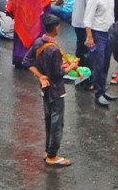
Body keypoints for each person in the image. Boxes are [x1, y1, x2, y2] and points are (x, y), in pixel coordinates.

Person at [23, 15, 73, 167]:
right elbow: (58, 74)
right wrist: (71, 68)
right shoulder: (53, 50)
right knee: (57, 122)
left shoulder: (39, 42)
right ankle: (52, 155)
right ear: (56, 28)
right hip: (56, 90)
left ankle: (48, 150)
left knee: (48, 120)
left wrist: (40, 76)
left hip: (45, 89)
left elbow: (27, 61)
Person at [84, 0, 117, 107]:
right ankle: (98, 93)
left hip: (108, 32)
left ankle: (103, 89)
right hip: (98, 34)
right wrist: (89, 36)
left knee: (106, 63)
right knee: (99, 63)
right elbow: (88, 19)